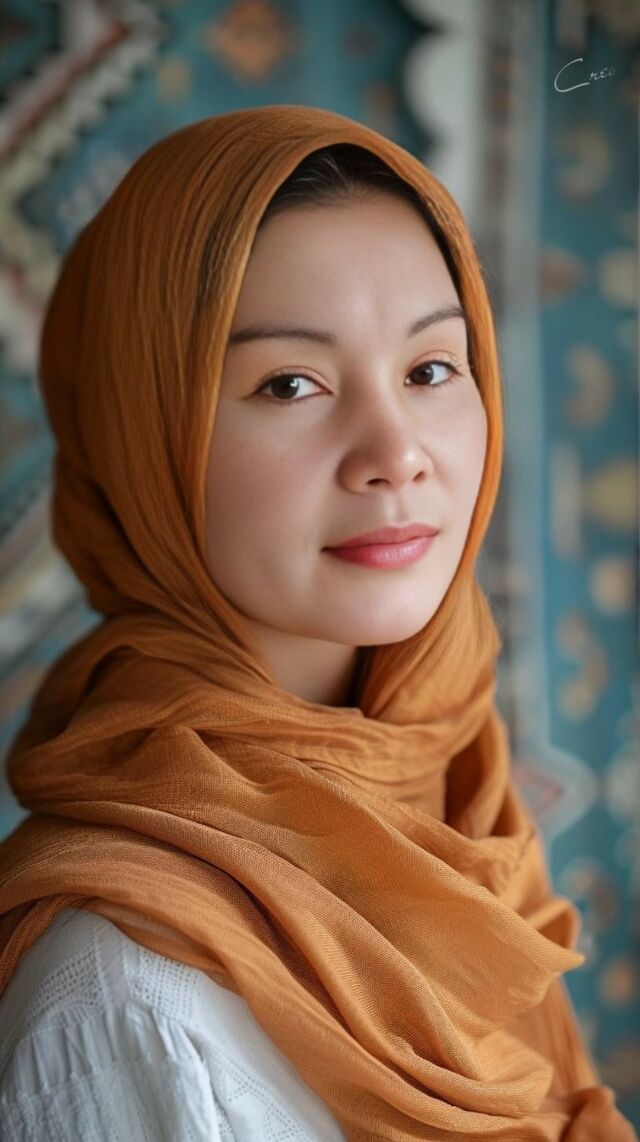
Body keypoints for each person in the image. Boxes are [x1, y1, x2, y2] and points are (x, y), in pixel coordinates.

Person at [0, 105, 636, 1141]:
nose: (396, 453)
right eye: (290, 383)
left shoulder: (459, 809)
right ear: (144, 434)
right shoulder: (125, 995)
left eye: (430, 369)